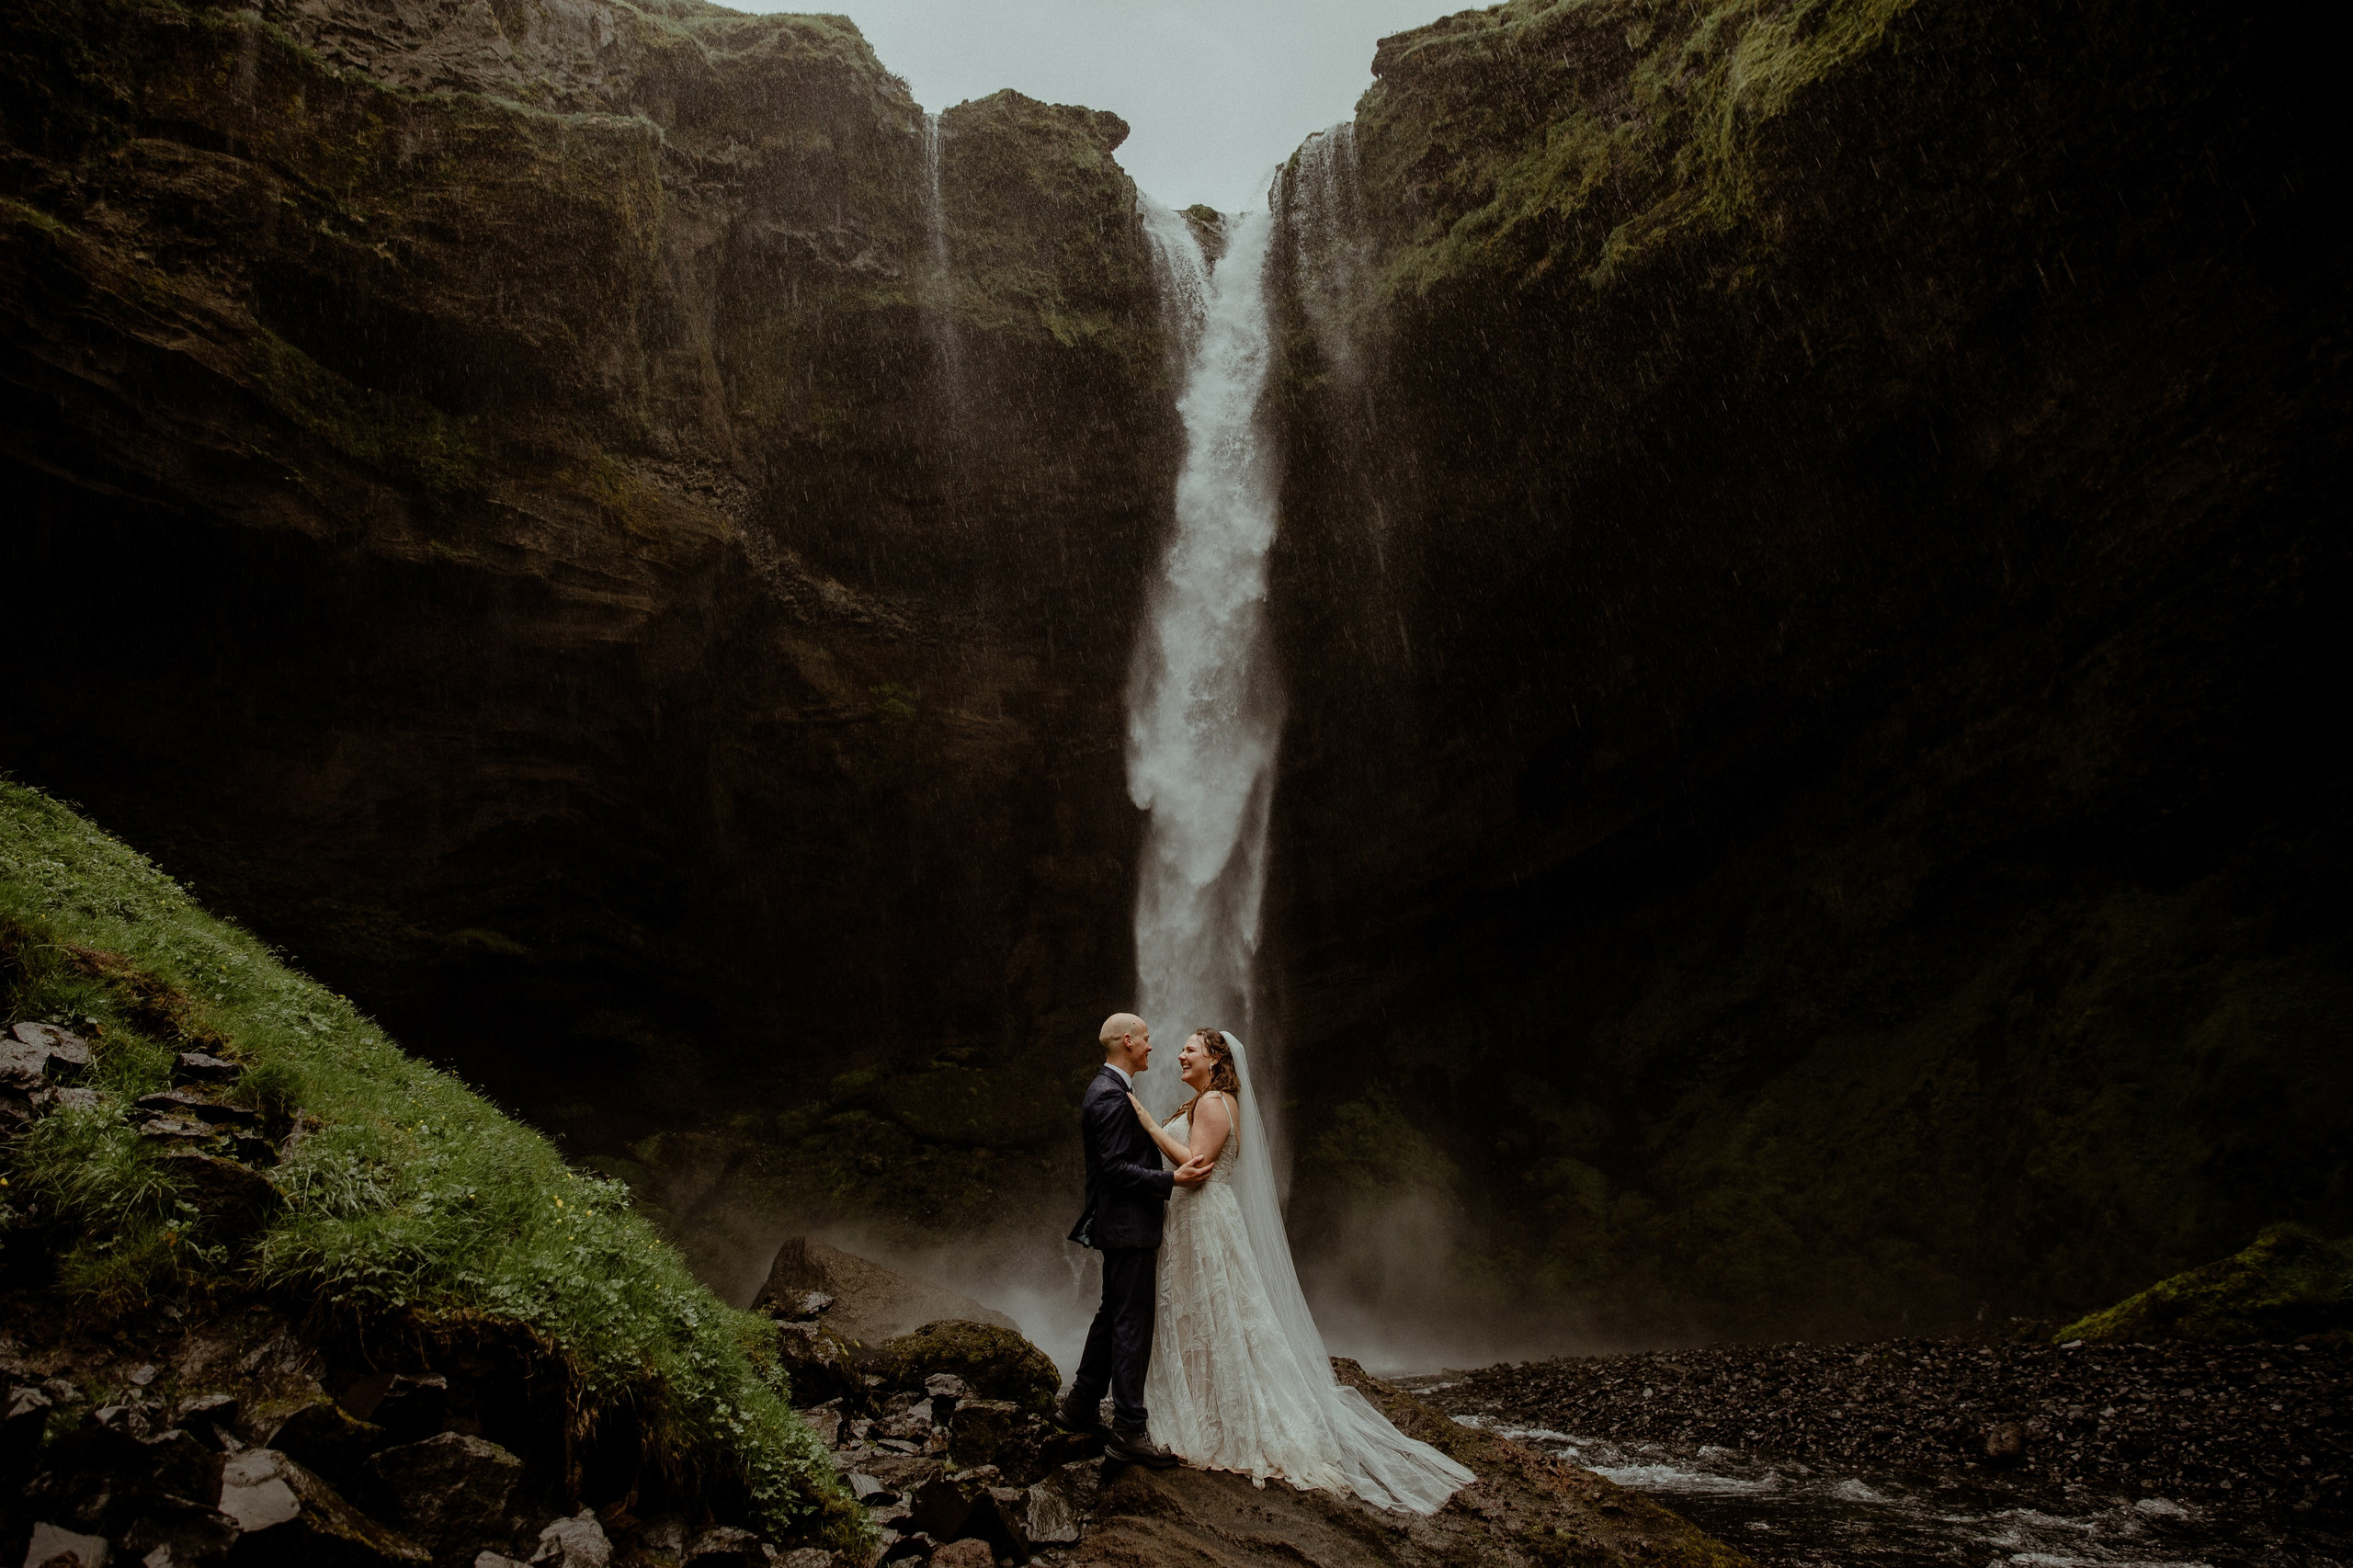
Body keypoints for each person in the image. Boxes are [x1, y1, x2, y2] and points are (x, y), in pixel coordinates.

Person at [1126, 1028, 1474, 1513]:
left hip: (1203, 1220)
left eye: (1190, 1048)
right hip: (1200, 1219)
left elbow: (1195, 1164)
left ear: (1216, 1058)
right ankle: (1210, 1413)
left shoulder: (1212, 1104)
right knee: (1208, 1317)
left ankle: (1215, 1422)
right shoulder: (1215, 1101)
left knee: (1205, 1316)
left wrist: (1144, 1120)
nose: (1179, 1054)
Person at [1062, 1012, 1209, 1467]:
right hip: (1127, 1227)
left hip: (1125, 1226)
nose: (1152, 1047)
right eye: (1146, 1039)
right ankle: (1128, 1428)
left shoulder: (1112, 1090)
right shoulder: (1109, 1095)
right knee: (1132, 1324)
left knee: (1113, 1316)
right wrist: (1172, 1181)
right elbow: (1113, 1170)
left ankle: (1081, 1405)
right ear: (1127, 1041)